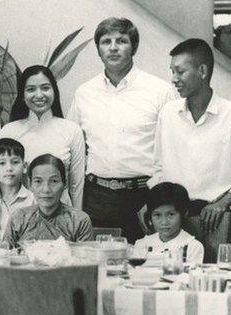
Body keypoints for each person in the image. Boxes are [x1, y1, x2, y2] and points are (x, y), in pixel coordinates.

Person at [149, 38, 231, 262]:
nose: (173, 79)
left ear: (202, 71)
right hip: (173, 219)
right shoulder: (167, 113)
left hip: (213, 220)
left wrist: (221, 204)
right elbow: (158, 167)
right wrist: (156, 205)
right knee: (170, 283)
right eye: (172, 72)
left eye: (180, 72)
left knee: (214, 282)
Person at [67, 17, 177, 243]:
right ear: (98, 49)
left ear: (133, 47)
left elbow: (173, 149)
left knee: (146, 265)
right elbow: (73, 147)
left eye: (122, 41)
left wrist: (157, 198)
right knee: (97, 265)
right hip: (96, 198)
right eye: (106, 41)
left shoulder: (160, 91)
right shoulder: (84, 93)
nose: (113, 47)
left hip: (144, 196)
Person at [0, 65, 85, 208]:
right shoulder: (9, 131)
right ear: (22, 95)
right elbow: (0, 184)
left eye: (45, 88)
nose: (39, 95)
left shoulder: (72, 130)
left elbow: (76, 186)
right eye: (31, 89)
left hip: (61, 217)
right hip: (18, 216)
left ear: (54, 91)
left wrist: (76, 222)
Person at [3, 154, 93, 248]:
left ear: (65, 184)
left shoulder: (79, 221)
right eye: (38, 181)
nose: (46, 189)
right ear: (29, 185)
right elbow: (5, 257)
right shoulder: (19, 218)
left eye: (54, 181)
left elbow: (85, 259)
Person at [134, 182, 204, 265]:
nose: (164, 222)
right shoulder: (142, 244)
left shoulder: (192, 247)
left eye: (171, 214)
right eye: (157, 215)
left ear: (184, 214)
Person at [0, 138, 35, 241]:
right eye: (2, 163)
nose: (9, 168)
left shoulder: (33, 201)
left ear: (25, 166)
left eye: (15, 162)